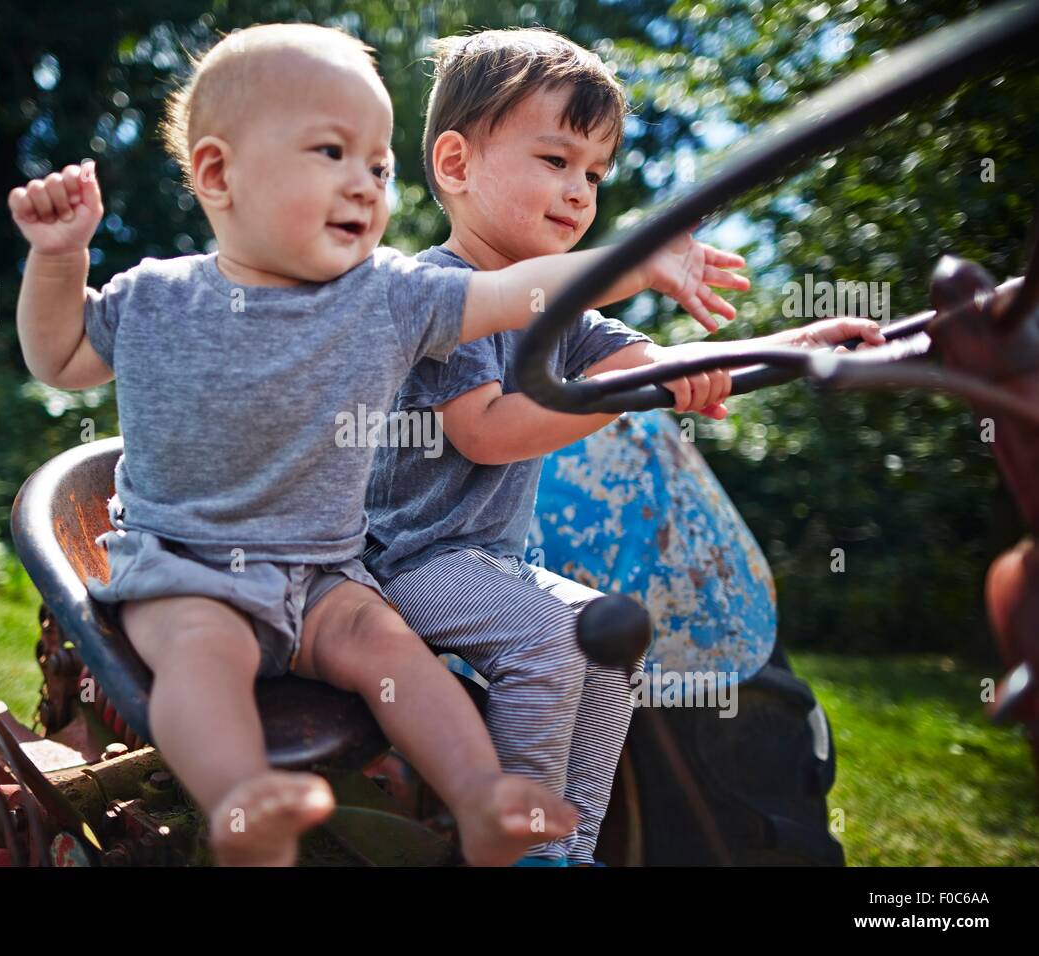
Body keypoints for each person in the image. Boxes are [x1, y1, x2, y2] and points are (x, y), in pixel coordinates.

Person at [7, 23, 737, 866]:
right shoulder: (157, 295)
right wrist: (58, 262)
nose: (365, 184)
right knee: (204, 655)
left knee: (399, 658)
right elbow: (59, 358)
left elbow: (527, 292)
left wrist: (649, 274)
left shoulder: (386, 295)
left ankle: (491, 804)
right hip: (191, 564)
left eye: (379, 166)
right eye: (331, 152)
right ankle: (243, 798)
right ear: (218, 174)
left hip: (326, 573)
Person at [365, 27, 883, 865]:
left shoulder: (560, 320)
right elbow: (487, 434)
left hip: (482, 562)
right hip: (403, 566)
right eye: (556, 160)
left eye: (595, 174)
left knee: (613, 635)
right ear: (456, 165)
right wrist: (618, 399)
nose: (580, 193)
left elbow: (666, 363)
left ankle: (572, 846)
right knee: (550, 635)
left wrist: (803, 346)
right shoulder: (442, 296)